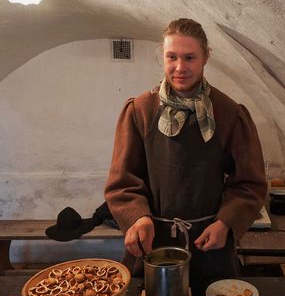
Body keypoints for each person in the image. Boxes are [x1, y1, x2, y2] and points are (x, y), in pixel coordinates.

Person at [104, 18, 267, 278]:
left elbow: (249, 183)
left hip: (210, 242)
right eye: (172, 57)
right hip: (153, 242)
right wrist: (137, 217)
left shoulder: (228, 114)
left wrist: (226, 222)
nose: (180, 68)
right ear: (163, 56)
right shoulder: (141, 111)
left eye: (189, 57)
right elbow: (122, 181)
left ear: (205, 58)